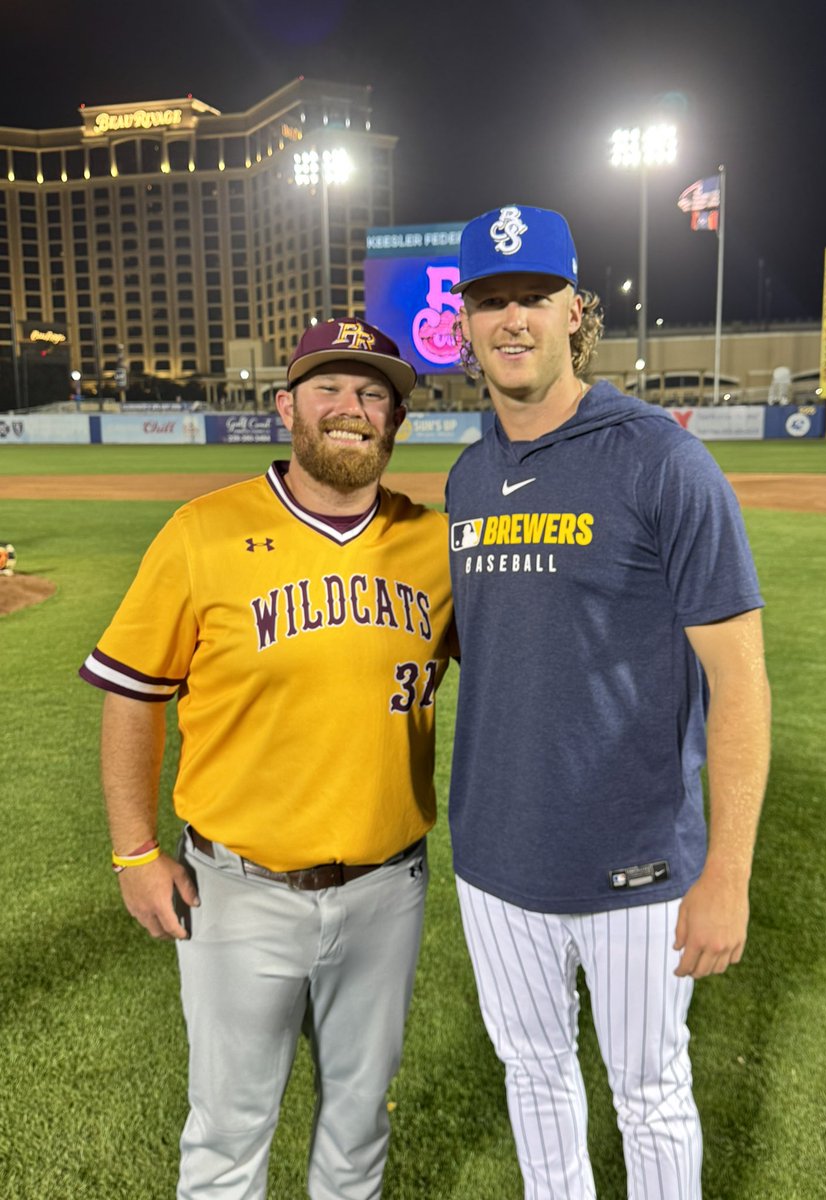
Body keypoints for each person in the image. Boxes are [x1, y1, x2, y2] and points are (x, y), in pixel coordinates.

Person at [79, 319, 454, 1200]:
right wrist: (135, 850)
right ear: (286, 405)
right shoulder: (202, 532)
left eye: (374, 394)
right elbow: (134, 691)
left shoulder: (433, 543)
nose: (352, 410)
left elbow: (525, 663)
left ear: (397, 421)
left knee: (359, 1127)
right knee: (227, 1134)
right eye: (330, 388)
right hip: (237, 892)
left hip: (388, 893)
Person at [445, 204, 771, 1199]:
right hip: (494, 858)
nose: (513, 322)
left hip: (636, 863)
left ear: (575, 311)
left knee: (649, 1093)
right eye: (491, 302)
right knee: (536, 1080)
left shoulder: (660, 460)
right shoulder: (467, 476)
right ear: (462, 325)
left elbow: (742, 684)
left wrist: (728, 872)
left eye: (534, 298)